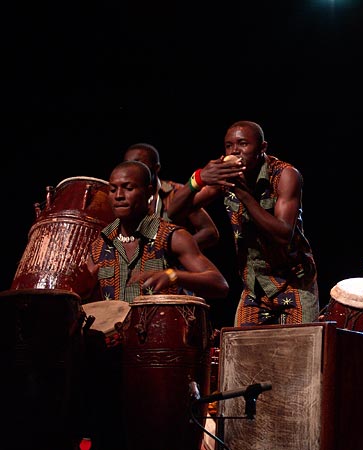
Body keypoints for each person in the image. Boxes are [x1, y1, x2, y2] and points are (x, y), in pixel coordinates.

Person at [76, 160, 229, 450]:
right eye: (113, 189)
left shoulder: (171, 236)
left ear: (149, 192)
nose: (118, 195)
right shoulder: (100, 243)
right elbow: (94, 303)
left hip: (159, 362)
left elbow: (219, 284)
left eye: (128, 188)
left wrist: (172, 273)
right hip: (112, 362)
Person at [168, 120, 319, 327]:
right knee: (242, 355)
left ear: (262, 148)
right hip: (254, 287)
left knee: (300, 352)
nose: (235, 151)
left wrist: (243, 195)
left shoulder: (285, 175)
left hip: (293, 284)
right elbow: (174, 212)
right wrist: (199, 178)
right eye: (229, 145)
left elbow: (283, 235)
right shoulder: (226, 176)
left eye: (243, 144)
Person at [123, 142, 220, 250]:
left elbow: (209, 232)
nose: (131, 169)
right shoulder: (121, 196)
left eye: (138, 163)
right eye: (127, 164)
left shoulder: (178, 192)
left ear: (156, 167)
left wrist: (173, 250)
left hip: (172, 265)